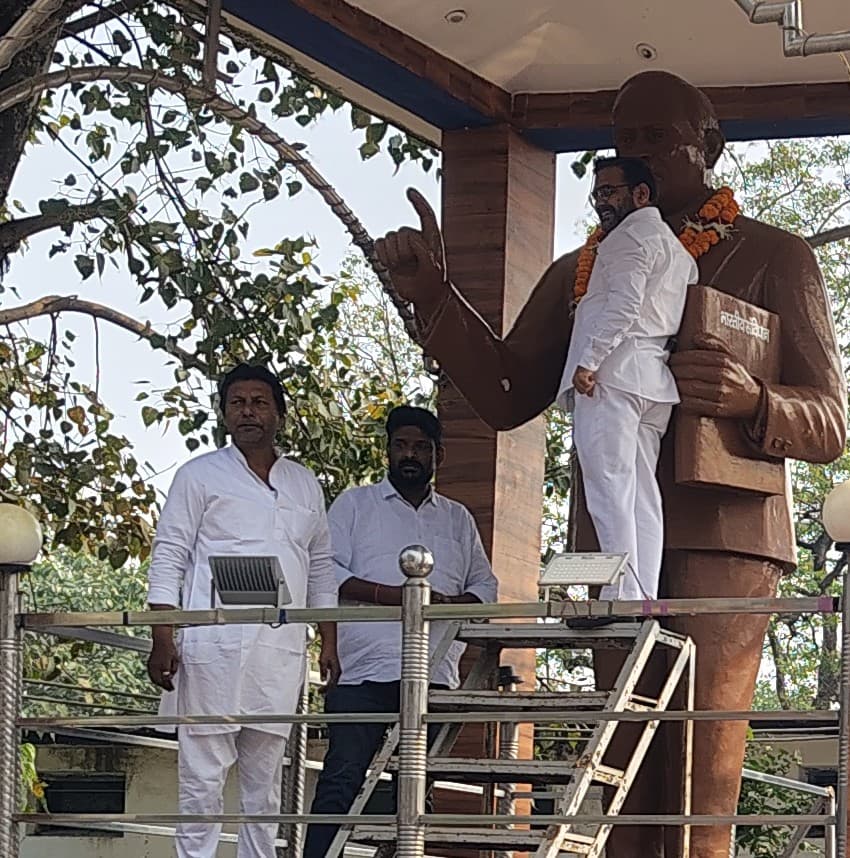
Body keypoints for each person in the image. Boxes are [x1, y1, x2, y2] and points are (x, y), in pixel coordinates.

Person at [373, 71, 846, 858]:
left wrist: (753, 398)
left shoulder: (775, 255)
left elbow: (830, 422)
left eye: (657, 139)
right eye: (625, 141)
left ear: (709, 146)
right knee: (620, 764)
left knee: (699, 776)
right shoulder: (581, 269)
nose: (638, 155)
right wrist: (434, 296)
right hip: (612, 545)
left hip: (728, 541)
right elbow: (507, 394)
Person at [146, 363, 340, 858]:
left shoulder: (304, 483)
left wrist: (330, 641)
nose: (248, 412)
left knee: (265, 786)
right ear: (224, 413)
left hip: (278, 652)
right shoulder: (199, 475)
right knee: (202, 781)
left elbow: (320, 565)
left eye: (259, 402)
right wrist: (162, 636)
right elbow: (169, 554)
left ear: (280, 414)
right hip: (212, 649)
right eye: (237, 403)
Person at [303, 405, 498, 858]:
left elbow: (486, 588)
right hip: (363, 672)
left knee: (415, 790)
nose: (409, 455)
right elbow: (326, 571)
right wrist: (394, 596)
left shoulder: (457, 518)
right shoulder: (355, 504)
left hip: (434, 674)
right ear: (388, 451)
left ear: (438, 456)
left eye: (420, 448)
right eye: (401, 446)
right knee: (342, 779)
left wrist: (444, 605)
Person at [562, 155, 697, 611]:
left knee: (610, 488)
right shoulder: (678, 251)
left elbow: (624, 305)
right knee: (640, 494)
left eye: (609, 192)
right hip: (651, 378)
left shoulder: (627, 238)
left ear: (641, 194)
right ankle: (640, 594)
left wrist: (590, 361)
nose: (601, 202)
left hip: (614, 374)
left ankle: (620, 595)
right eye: (596, 194)